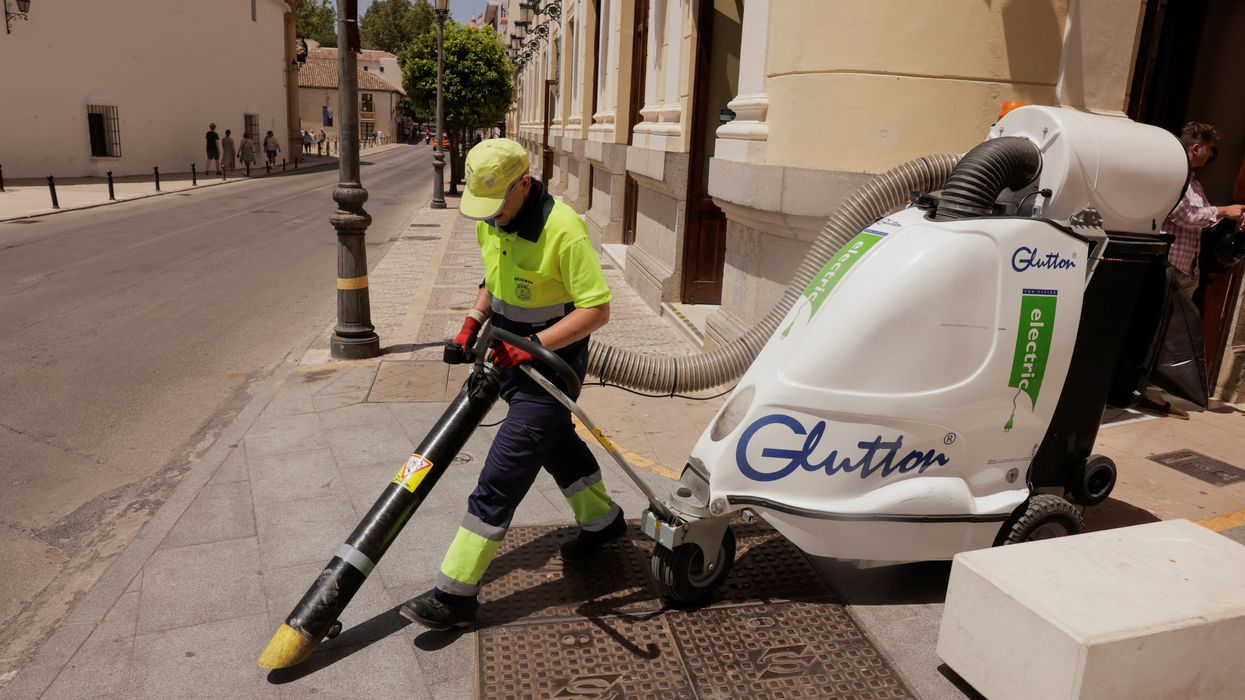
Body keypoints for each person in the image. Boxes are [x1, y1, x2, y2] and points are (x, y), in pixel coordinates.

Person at [398, 138, 621, 630]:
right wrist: (471, 321)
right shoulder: (491, 222)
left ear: (524, 184)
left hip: (551, 371)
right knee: (558, 447)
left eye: (497, 205)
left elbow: (597, 310)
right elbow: (491, 280)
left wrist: (535, 344)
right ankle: (604, 523)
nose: (491, 217)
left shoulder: (563, 228)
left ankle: (454, 595)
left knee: (500, 477)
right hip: (505, 357)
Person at [1162, 122, 1244, 299]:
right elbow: (1185, 216)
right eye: (1210, 148)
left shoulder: (1195, 185)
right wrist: (1224, 210)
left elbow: (1208, 220)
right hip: (1170, 267)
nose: (1212, 155)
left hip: (1188, 271)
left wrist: (1238, 218)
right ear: (1197, 148)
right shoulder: (1175, 178)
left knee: (1178, 324)